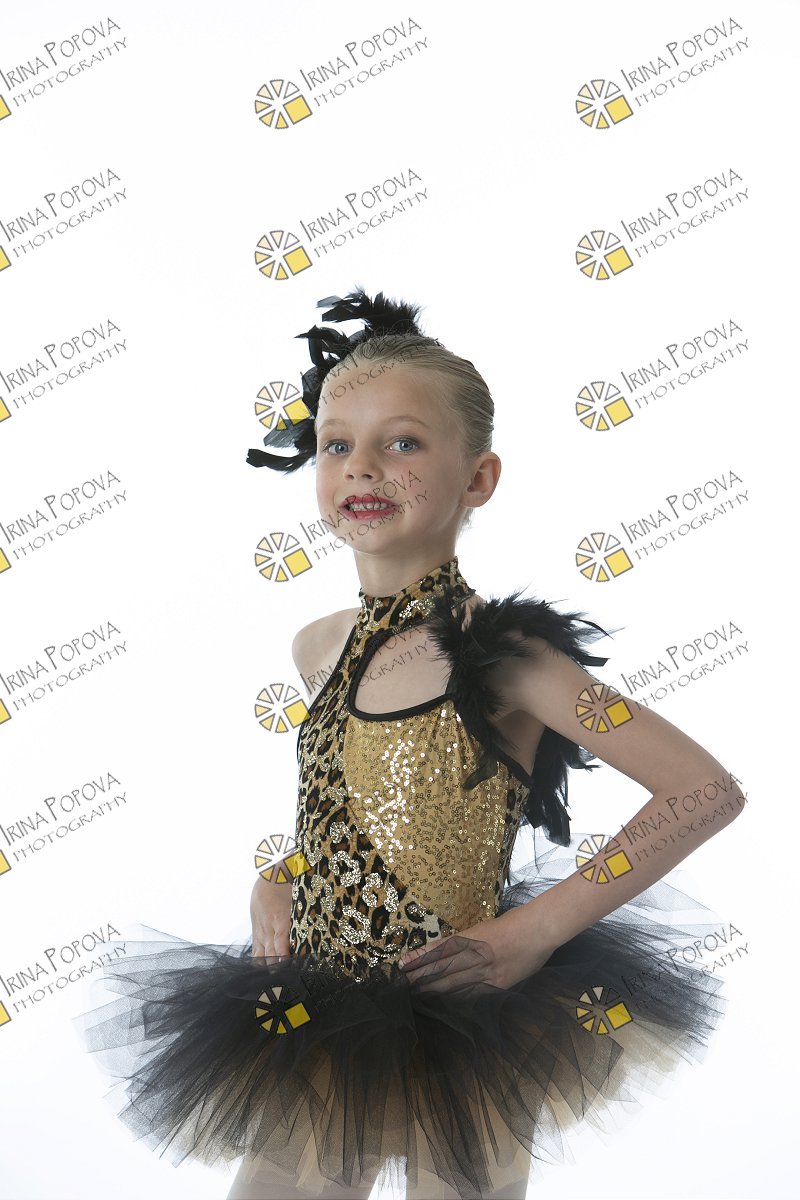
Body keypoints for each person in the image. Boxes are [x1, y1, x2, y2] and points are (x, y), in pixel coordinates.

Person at [73, 288, 744, 1200]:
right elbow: (352, 806)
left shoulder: (507, 657)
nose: (362, 467)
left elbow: (703, 791)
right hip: (318, 1010)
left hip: (465, 1023)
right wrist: (284, 878)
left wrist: (532, 933)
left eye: (403, 444)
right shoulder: (318, 646)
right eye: (336, 444)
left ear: (479, 479)